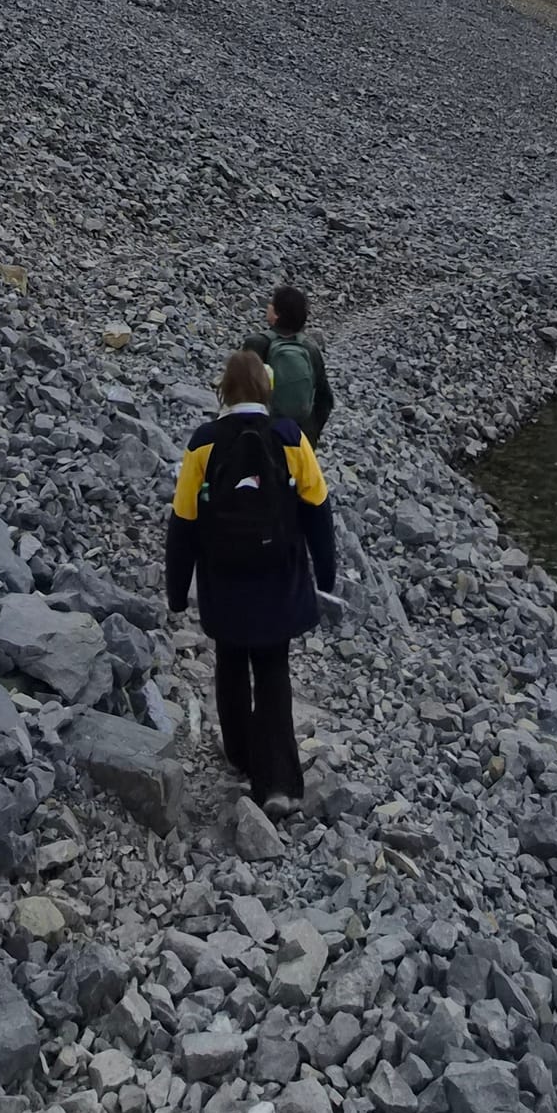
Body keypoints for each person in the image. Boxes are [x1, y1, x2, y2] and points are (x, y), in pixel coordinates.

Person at [166, 349, 336, 814]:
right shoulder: (289, 436)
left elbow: (183, 520)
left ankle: (240, 755)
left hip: (224, 581)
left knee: (231, 664)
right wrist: (326, 574)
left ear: (223, 389)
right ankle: (279, 782)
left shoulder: (203, 443)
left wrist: (177, 591)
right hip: (279, 578)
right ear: (267, 389)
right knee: (273, 669)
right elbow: (317, 509)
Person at [243, 282, 334, 437]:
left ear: (277, 314)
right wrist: (310, 436)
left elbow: (239, 393)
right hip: (298, 437)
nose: (268, 306)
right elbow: (325, 400)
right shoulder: (310, 349)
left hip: (260, 436)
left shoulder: (256, 344)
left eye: (271, 303)